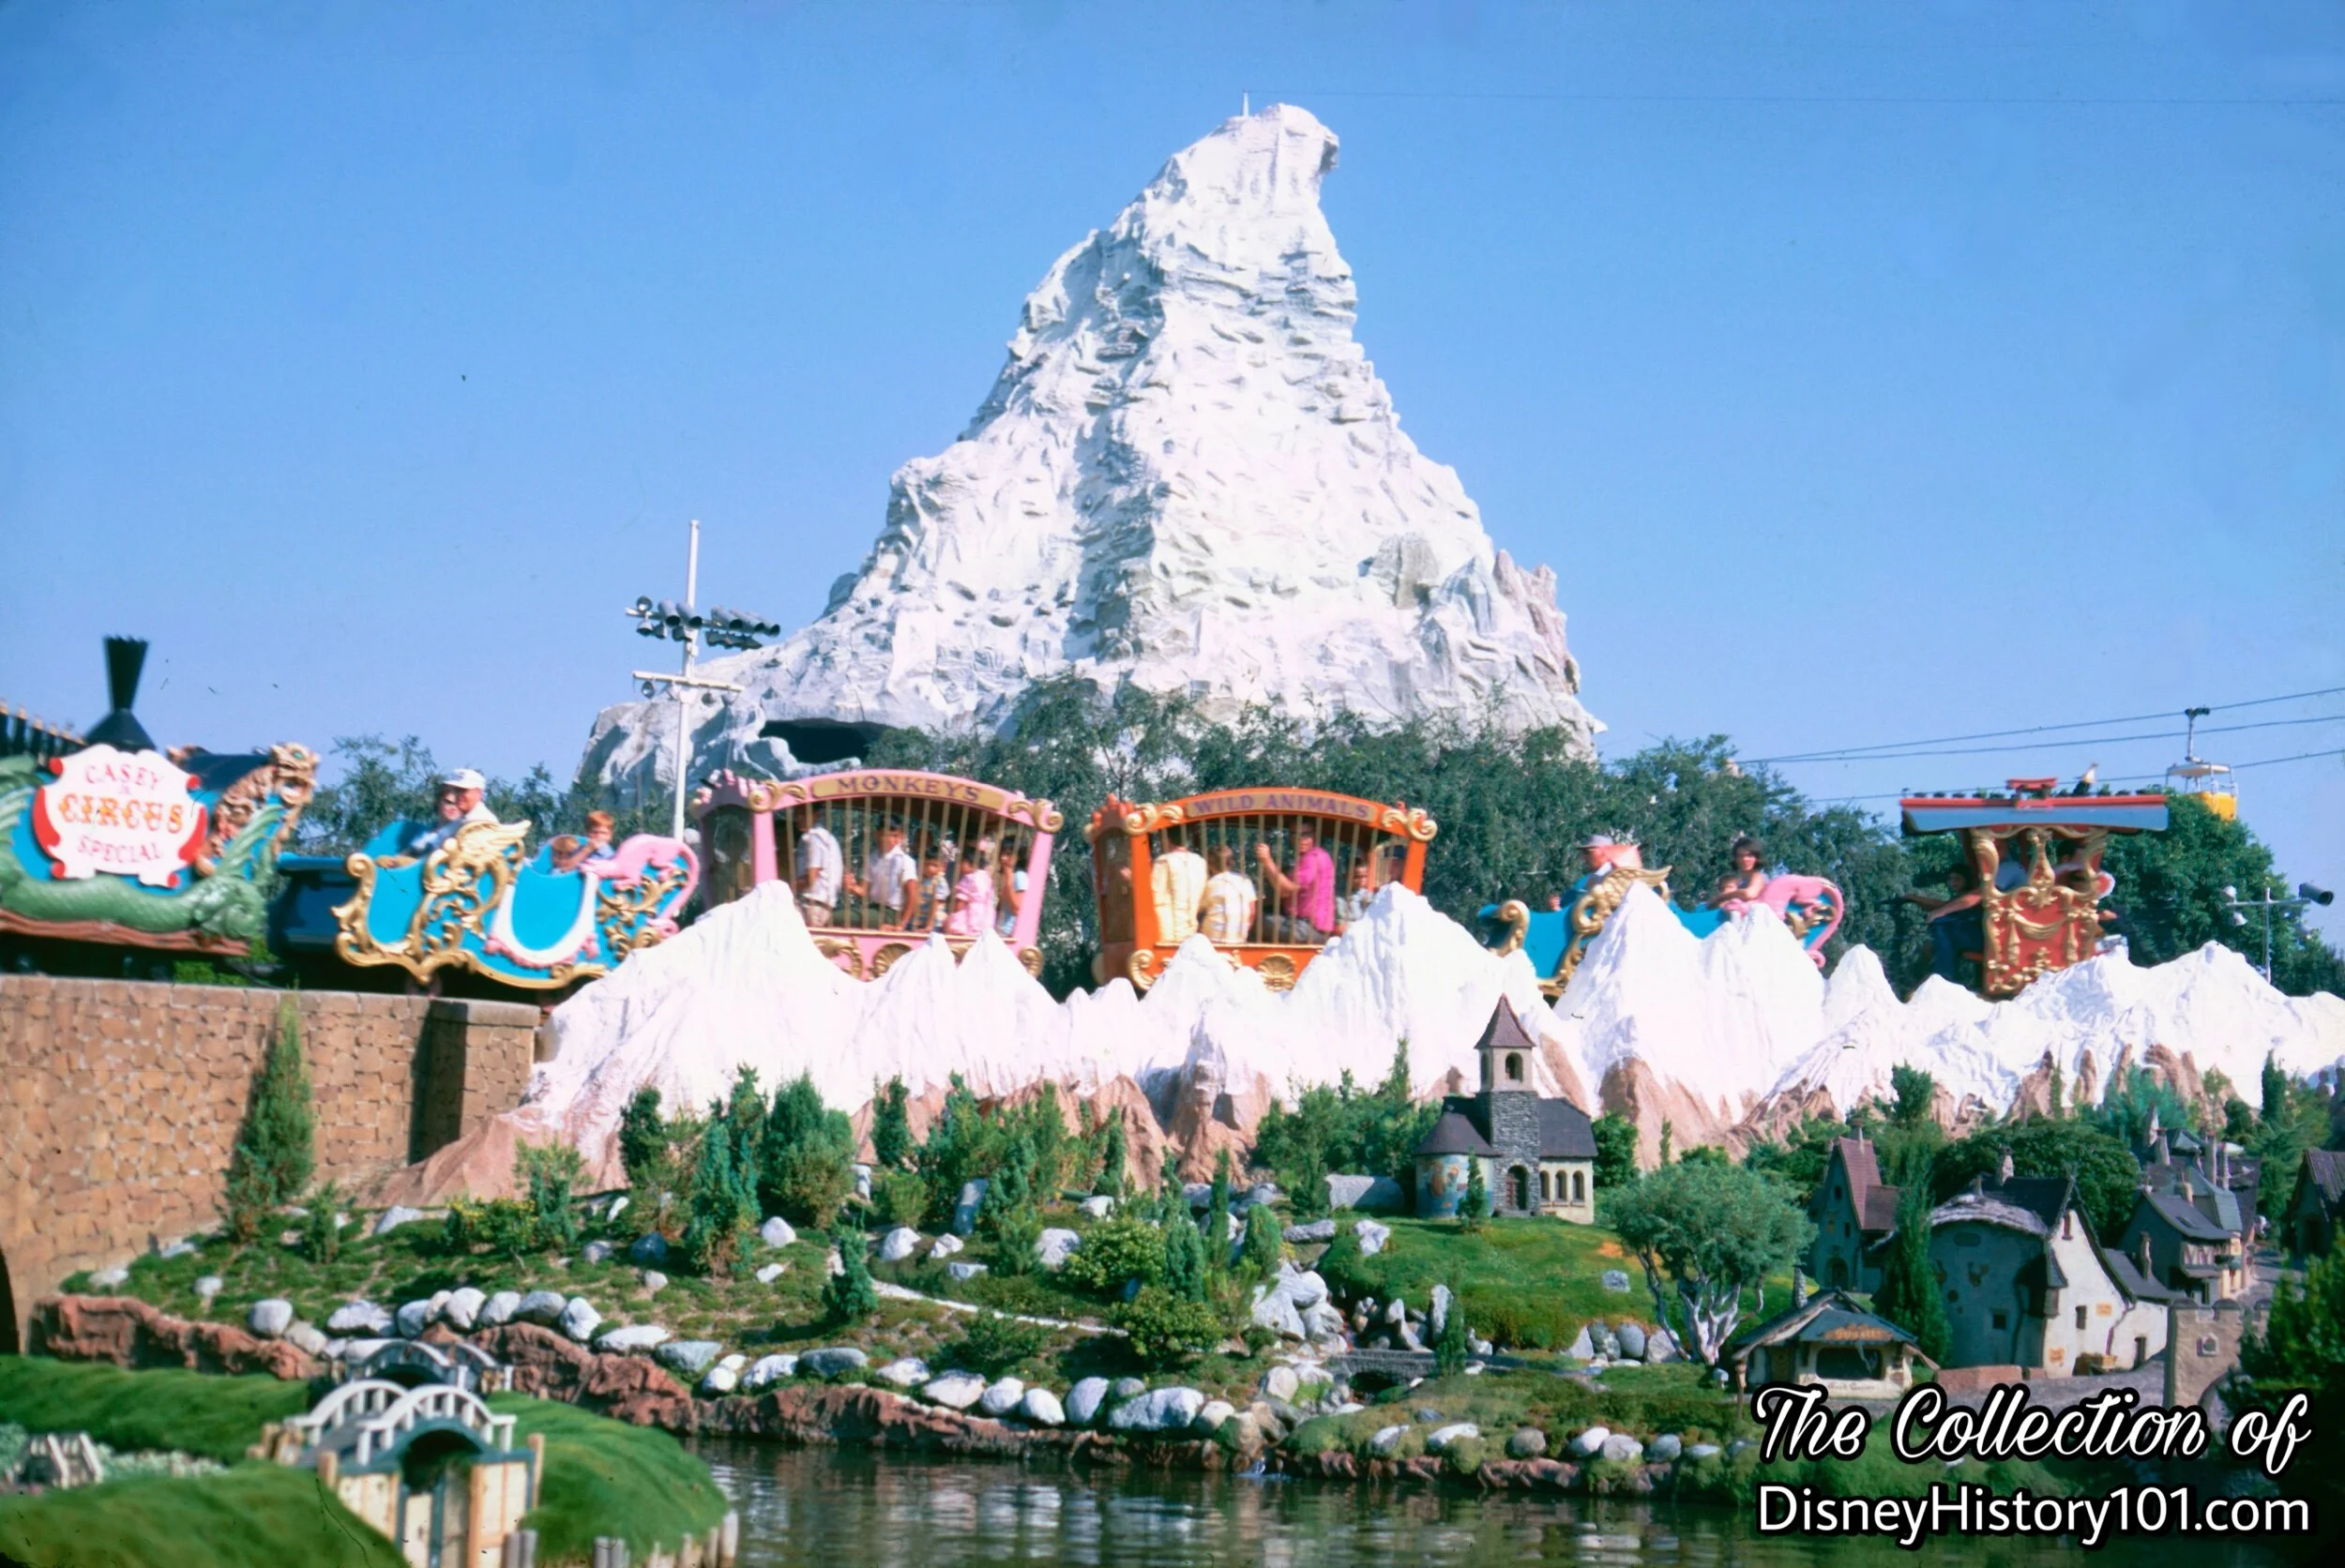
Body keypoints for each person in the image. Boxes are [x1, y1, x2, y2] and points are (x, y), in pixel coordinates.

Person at [1254, 827, 1336, 945]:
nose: (1300, 839)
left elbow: (1286, 891)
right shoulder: (1320, 856)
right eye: (1295, 834)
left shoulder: (1313, 857)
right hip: (1315, 930)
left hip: (1306, 929)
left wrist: (1267, 861)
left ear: (1315, 835)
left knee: (1253, 918)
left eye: (1306, 834)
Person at [1903, 867, 1983, 983]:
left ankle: (1944, 976)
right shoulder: (1957, 897)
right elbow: (1942, 906)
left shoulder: (1969, 896)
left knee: (1941, 928)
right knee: (1928, 946)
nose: (1953, 882)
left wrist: (1915, 898)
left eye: (1957, 879)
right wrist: (1917, 900)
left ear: (1967, 879)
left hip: (1974, 936)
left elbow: (1944, 906)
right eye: (1950, 879)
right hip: (1961, 935)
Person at [406, 768, 498, 855]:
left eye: (463, 790)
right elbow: (429, 845)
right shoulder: (460, 820)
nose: (458, 795)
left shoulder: (483, 822)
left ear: (478, 793)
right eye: (456, 790)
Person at [848, 822, 917, 928]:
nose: (890, 840)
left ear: (902, 837)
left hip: (892, 913)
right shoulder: (872, 858)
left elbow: (912, 895)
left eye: (895, 836)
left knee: (840, 917)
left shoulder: (905, 861)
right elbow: (863, 891)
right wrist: (851, 887)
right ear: (877, 834)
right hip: (873, 908)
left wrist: (901, 925)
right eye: (886, 835)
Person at [1151, 835, 1209, 943]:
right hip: (1191, 930)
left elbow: (1154, 895)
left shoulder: (1164, 861)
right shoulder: (1200, 862)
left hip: (1168, 932)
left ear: (1166, 839)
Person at [1199, 845, 1259, 944]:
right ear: (1231, 862)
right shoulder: (1245, 881)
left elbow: (1200, 908)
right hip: (1239, 937)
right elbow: (1252, 912)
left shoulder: (1210, 884)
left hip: (1214, 937)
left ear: (1209, 865)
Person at [794, 810, 842, 928]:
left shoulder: (815, 838)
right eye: (796, 814)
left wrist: (785, 887)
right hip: (815, 904)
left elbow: (811, 878)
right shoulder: (823, 837)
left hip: (813, 906)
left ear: (816, 815)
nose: (798, 818)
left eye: (803, 814)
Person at [945, 837, 998, 937]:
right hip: (986, 914)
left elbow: (960, 902)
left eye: (962, 862)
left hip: (970, 914)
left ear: (971, 864)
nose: (959, 866)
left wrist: (953, 914)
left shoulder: (968, 878)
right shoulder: (986, 877)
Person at [1707, 835, 1770, 909]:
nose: (1745, 859)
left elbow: (1749, 894)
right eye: (1740, 856)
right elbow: (1711, 904)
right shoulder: (1734, 878)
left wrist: (1722, 897)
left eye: (1749, 855)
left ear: (1756, 858)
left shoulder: (1758, 876)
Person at [550, 809, 620, 873]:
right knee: (555, 872)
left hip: (594, 881)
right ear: (586, 833)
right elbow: (565, 869)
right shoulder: (578, 850)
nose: (598, 836)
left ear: (610, 836)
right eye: (594, 832)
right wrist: (587, 850)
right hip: (572, 880)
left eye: (603, 833)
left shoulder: (611, 856)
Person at [994, 836, 1028, 940]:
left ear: (1019, 857)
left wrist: (1009, 881)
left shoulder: (1019, 876)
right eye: (1002, 853)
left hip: (1007, 933)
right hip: (998, 930)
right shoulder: (1007, 875)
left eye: (1008, 854)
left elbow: (1016, 908)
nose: (1003, 858)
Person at [911, 852, 951, 932]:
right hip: (918, 920)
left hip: (934, 922)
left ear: (943, 867)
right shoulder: (920, 879)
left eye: (934, 865)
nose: (929, 868)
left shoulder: (939, 881)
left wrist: (929, 925)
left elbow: (935, 904)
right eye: (926, 864)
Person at [1336, 860, 1377, 931]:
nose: (1362, 880)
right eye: (1357, 877)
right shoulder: (1337, 895)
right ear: (1345, 876)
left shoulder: (1368, 896)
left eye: (1365, 876)